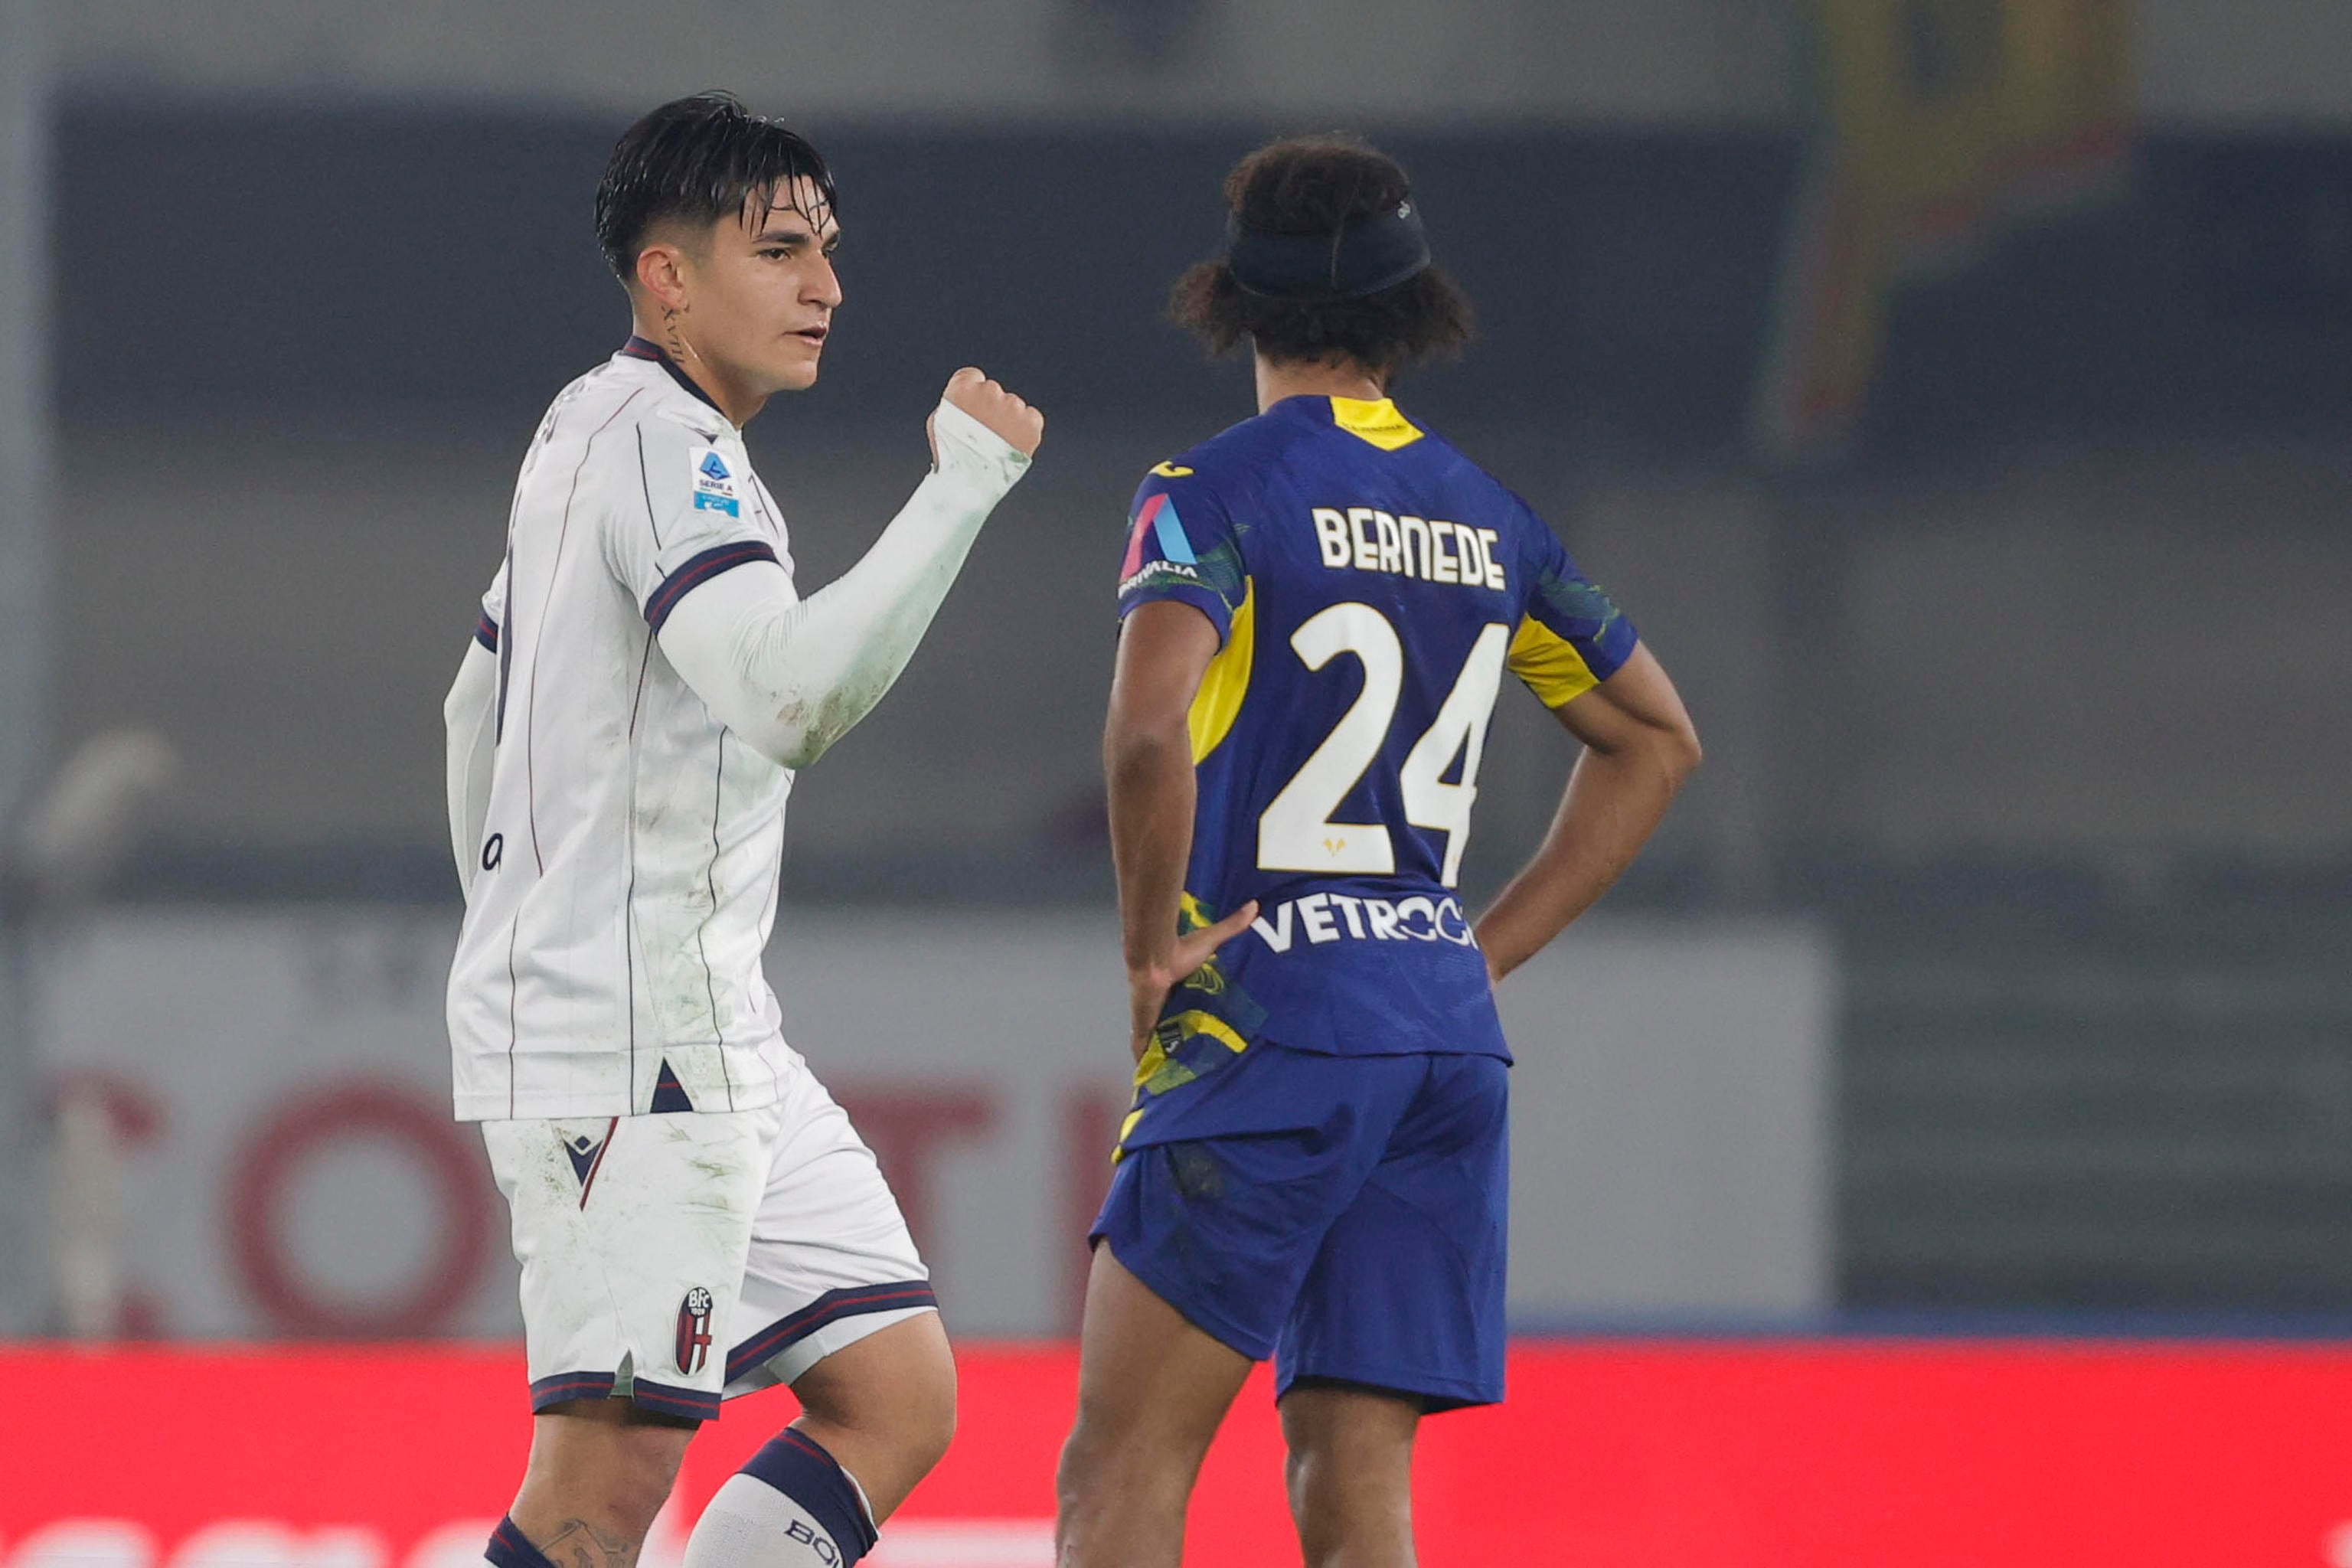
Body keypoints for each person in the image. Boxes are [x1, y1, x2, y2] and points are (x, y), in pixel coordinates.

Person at [1057, 136, 1701, 1567]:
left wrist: (1150, 955)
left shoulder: (1209, 491)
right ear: (1416, 311)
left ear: (1233, 300)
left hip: (1270, 1016)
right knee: (1357, 1497)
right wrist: (1473, 955)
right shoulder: (1494, 521)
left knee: (1122, 1469)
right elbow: (1658, 742)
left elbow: (1147, 734)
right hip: (1440, 1038)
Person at [439, 93, 1043, 1568]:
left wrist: (521, 926)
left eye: (827, 249)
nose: (824, 284)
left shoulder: (590, 426)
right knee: (601, 1488)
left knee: (894, 1394)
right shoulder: (664, 444)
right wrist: (960, 492)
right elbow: (791, 699)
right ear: (669, 276)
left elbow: (471, 709)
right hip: (630, 1036)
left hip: (707, 1030)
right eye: (778, 251)